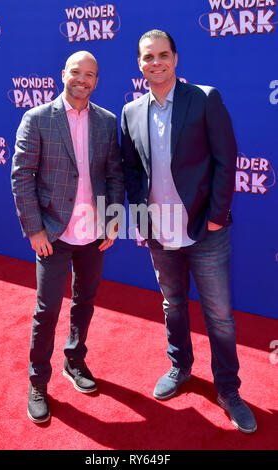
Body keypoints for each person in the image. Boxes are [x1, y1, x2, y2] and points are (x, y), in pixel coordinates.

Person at [121, 29, 257, 433]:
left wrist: (216, 216)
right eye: (148, 57)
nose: (156, 63)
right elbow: (131, 170)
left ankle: (228, 389)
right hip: (160, 235)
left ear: (176, 59)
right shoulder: (131, 112)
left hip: (205, 231)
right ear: (139, 64)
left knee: (219, 317)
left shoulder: (204, 98)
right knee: (173, 306)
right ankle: (180, 367)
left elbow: (225, 159)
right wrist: (141, 220)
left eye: (163, 55)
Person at [11, 51, 124, 423]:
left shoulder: (107, 122)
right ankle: (37, 381)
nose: (83, 79)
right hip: (54, 234)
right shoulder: (38, 119)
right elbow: (22, 176)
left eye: (90, 74)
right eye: (76, 72)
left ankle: (74, 361)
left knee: (85, 301)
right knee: (47, 311)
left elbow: (114, 174)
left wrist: (113, 218)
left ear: (96, 80)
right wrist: (34, 229)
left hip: (93, 235)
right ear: (63, 74)